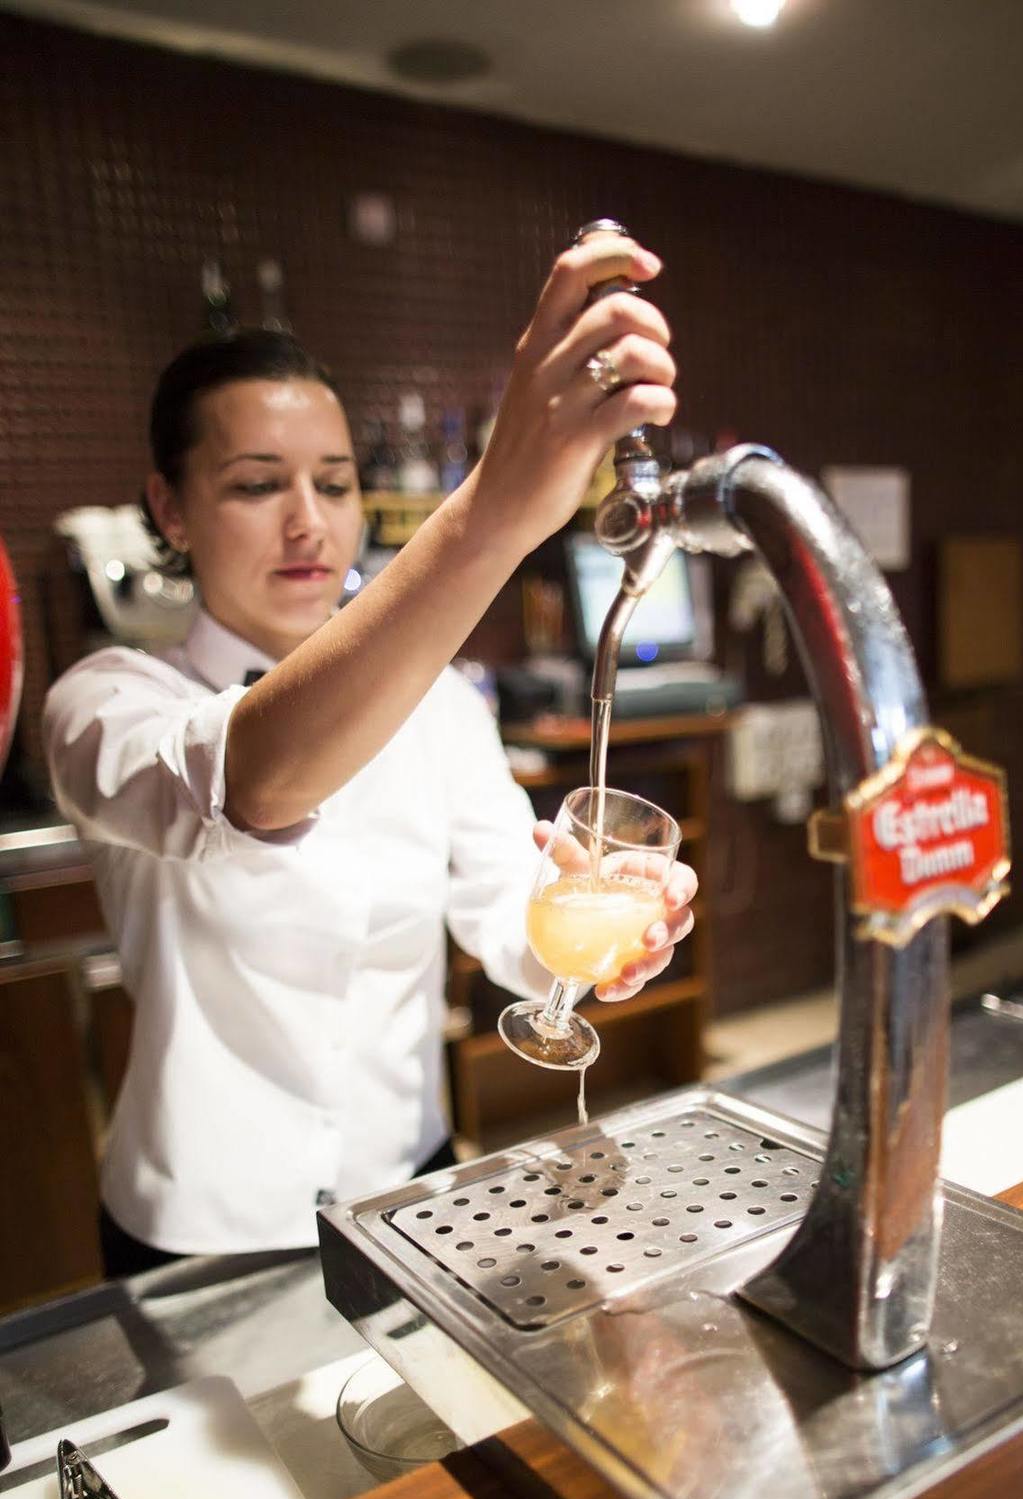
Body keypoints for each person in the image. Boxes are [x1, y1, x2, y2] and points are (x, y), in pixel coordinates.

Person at [44, 233, 696, 1275]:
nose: (308, 524)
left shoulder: (441, 706)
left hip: (407, 1191)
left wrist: (591, 938)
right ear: (169, 507)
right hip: (201, 1231)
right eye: (258, 486)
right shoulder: (109, 701)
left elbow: (504, 919)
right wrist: (492, 513)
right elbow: (254, 779)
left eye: (334, 483)